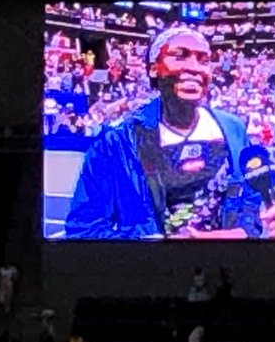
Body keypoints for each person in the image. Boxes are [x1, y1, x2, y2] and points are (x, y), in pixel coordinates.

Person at [64, 28, 264, 239]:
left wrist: (240, 233)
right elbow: (83, 229)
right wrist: (158, 245)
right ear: (153, 69)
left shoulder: (233, 129)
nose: (194, 67)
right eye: (179, 55)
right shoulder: (117, 141)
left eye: (204, 60)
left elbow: (249, 202)